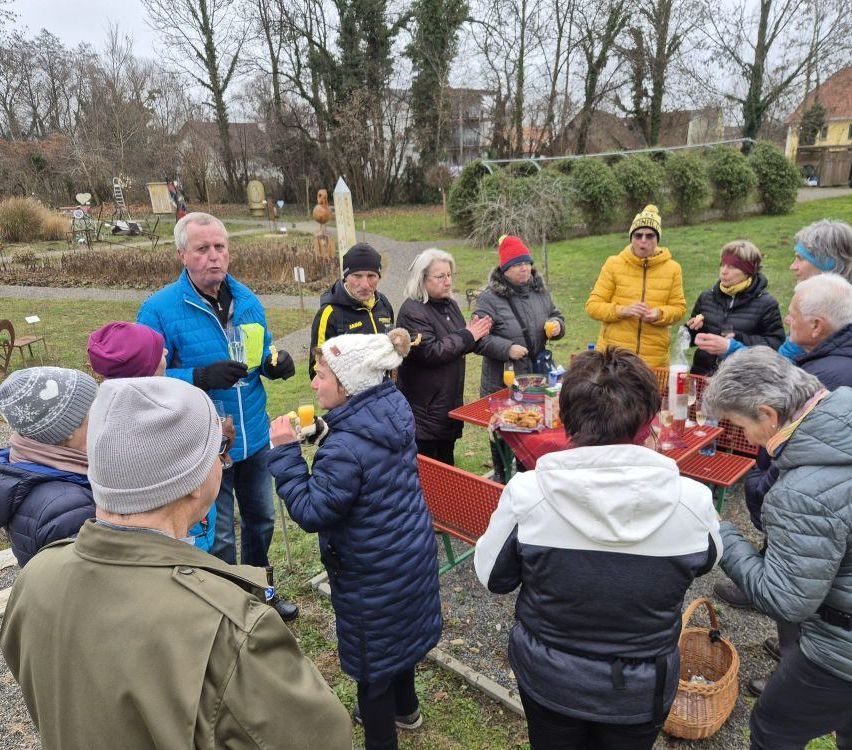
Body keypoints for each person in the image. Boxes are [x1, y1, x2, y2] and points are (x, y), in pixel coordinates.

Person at [0, 377, 352, 750]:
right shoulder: (232, 630)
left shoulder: (36, 575)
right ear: (194, 482)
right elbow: (324, 738)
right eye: (218, 449)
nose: (223, 460)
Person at [475, 348, 721, 750]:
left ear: (566, 418)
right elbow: (708, 562)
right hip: (641, 688)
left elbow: (493, 578)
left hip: (550, 678)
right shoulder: (691, 501)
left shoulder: (528, 493)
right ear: (650, 420)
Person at [267, 329, 442, 750]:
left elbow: (313, 511)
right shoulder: (391, 405)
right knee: (399, 637)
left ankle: (382, 737)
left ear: (348, 385)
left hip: (370, 570)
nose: (313, 383)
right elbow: (365, 462)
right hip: (408, 551)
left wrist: (287, 454)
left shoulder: (344, 448)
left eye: (322, 374)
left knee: (372, 667)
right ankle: (408, 709)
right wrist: (323, 433)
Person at [701, 347, 852, 749]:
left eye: (741, 425)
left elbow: (787, 601)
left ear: (768, 415)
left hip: (841, 653)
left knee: (773, 727)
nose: (747, 439)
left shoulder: (803, 492)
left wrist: (724, 535)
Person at [137, 212, 296, 575]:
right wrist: (199, 376)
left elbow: (262, 352)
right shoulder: (159, 310)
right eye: (202, 248)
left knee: (262, 520)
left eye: (220, 247)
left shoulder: (247, 300)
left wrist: (274, 365)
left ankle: (260, 591)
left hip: (254, 435)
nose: (213, 256)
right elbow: (143, 381)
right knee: (220, 535)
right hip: (205, 443)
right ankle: (227, 607)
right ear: (182, 255)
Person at [87, 320, 220, 551]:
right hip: (182, 531)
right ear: (146, 365)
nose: (166, 351)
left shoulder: (104, 416)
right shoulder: (170, 416)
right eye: (158, 350)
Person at [473, 235, 564, 482]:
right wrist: (507, 348)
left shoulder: (539, 291)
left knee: (532, 431)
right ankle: (502, 480)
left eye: (526, 263)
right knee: (504, 433)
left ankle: (528, 481)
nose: (524, 268)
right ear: (504, 269)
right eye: (516, 264)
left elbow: (556, 314)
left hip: (536, 379)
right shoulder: (489, 299)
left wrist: (557, 325)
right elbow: (477, 339)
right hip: (503, 381)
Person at [698, 219, 852, 363]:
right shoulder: (819, 309)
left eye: (800, 258)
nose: (792, 266)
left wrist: (732, 349)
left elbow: (782, 371)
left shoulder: (827, 319)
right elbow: (783, 362)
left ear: (827, 263)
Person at [396, 248, 492, 465]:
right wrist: (468, 334)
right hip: (424, 410)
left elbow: (458, 343)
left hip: (447, 401)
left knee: (447, 465)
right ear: (422, 279)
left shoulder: (449, 304)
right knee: (427, 470)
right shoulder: (412, 311)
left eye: (449, 275)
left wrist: (478, 333)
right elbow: (430, 351)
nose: (447, 282)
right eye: (440, 276)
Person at [0, 367, 97, 567]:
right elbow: (93, 578)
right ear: (68, 429)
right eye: (96, 412)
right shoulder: (70, 507)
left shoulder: (24, 464)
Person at [585, 204, 686, 367]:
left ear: (657, 239)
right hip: (614, 357)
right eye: (638, 235)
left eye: (649, 236)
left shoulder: (673, 268)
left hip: (653, 359)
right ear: (631, 238)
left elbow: (679, 308)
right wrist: (622, 311)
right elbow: (592, 306)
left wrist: (659, 314)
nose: (643, 241)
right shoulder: (613, 264)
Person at [687, 240, 785, 375]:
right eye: (722, 265)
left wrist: (737, 339)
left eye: (732, 267)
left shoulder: (767, 304)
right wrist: (691, 329)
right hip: (702, 377)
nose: (724, 271)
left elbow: (776, 345)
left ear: (748, 271)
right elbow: (691, 339)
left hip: (741, 381)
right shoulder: (706, 297)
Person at [308, 242, 394, 378]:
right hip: (350, 397)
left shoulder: (383, 304)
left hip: (384, 393)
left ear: (379, 277)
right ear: (346, 277)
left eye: (371, 276)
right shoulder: (330, 313)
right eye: (357, 276)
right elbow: (317, 370)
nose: (365, 285)